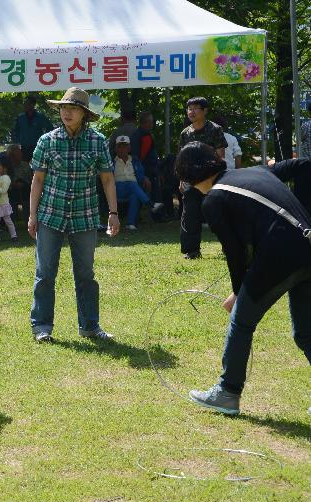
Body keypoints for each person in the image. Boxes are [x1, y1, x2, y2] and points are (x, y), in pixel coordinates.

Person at [175, 142, 311, 415]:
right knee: (306, 331)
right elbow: (304, 165)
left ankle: (227, 392)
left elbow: (234, 253)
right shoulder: (257, 171)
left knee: (242, 320)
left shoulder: (213, 200)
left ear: (188, 178)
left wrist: (239, 293)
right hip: (307, 247)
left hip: (279, 255)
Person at [28, 87, 119, 343]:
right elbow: (37, 180)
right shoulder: (47, 140)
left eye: (73, 108)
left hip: (85, 216)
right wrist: (32, 215)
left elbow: (108, 179)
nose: (66, 112)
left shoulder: (98, 141)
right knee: (45, 273)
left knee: (85, 274)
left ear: (84, 114)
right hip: (50, 215)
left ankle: (90, 326)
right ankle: (42, 327)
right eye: (63, 107)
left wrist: (113, 213)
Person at [177, 97, 227, 259]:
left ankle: (229, 246)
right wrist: (182, 180)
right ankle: (192, 250)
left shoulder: (215, 129)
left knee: (219, 213)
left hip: (212, 179)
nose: (191, 112)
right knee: (190, 213)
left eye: (195, 108)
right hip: (192, 181)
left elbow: (220, 156)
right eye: (189, 109)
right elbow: (182, 159)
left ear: (204, 111)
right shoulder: (185, 133)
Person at [113, 136, 159, 230]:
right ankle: (150, 204)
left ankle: (131, 224)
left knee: (134, 195)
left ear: (129, 148)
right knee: (131, 184)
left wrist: (145, 178)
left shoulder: (135, 161)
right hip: (117, 189)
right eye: (120, 146)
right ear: (116, 148)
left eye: (125, 146)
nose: (122, 149)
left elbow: (141, 175)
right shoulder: (112, 162)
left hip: (133, 188)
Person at [130, 112, 168, 217]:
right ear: (144, 123)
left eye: (152, 122)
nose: (152, 125)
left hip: (151, 169)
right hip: (147, 171)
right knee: (155, 192)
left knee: (157, 190)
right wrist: (142, 176)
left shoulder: (146, 135)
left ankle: (157, 214)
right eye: (150, 122)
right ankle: (157, 215)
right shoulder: (141, 136)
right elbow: (137, 158)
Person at [11, 94, 53, 169]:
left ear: (32, 105)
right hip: (24, 148)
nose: (24, 105)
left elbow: (50, 128)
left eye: (27, 103)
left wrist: (45, 141)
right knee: (23, 167)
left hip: (37, 147)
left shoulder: (40, 117)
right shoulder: (21, 117)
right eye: (24, 103)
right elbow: (14, 131)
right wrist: (17, 142)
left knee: (38, 167)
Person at [0, 155, 17, 242]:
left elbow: (3, 190)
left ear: (5, 167)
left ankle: (14, 236)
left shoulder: (7, 178)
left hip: (3, 203)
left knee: (8, 220)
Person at [6, 144, 32, 221]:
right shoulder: (6, 167)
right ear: (11, 156)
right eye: (18, 155)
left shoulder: (25, 165)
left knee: (27, 192)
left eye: (20, 154)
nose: (20, 156)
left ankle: (27, 219)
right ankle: (12, 219)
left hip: (25, 188)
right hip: (11, 189)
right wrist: (14, 184)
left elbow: (31, 179)